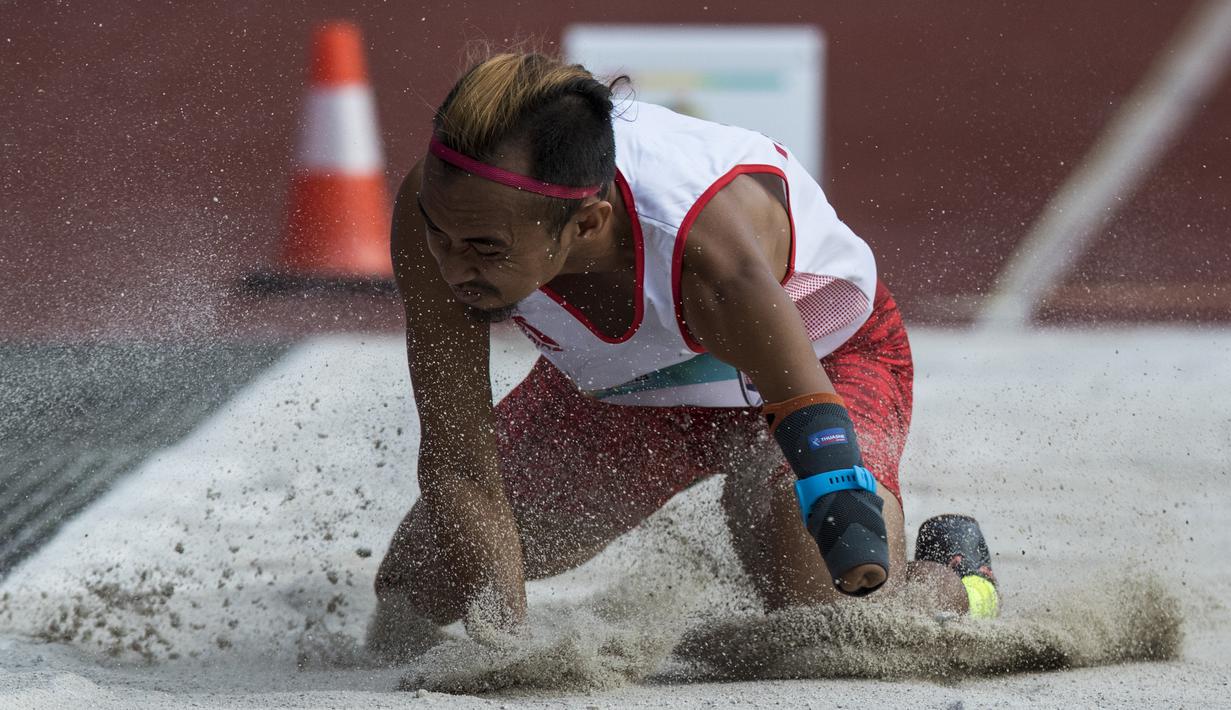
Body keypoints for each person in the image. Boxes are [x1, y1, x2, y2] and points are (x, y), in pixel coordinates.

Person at [368, 53, 998, 656]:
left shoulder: (704, 247)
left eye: (485, 248)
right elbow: (457, 460)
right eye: (438, 235)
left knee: (845, 626)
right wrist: (502, 644)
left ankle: (959, 578)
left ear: (587, 224)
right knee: (413, 590)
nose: (451, 266)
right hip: (627, 391)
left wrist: (843, 519)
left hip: (821, 361)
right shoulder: (448, 204)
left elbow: (817, 438)